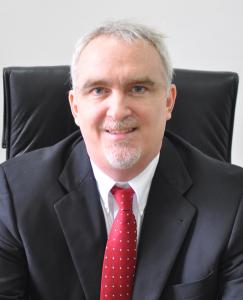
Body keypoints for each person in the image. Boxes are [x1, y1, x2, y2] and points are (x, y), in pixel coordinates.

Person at [0, 21, 243, 300]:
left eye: (138, 88)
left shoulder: (233, 202)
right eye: (98, 90)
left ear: (168, 102)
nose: (117, 110)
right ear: (75, 107)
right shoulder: (13, 195)